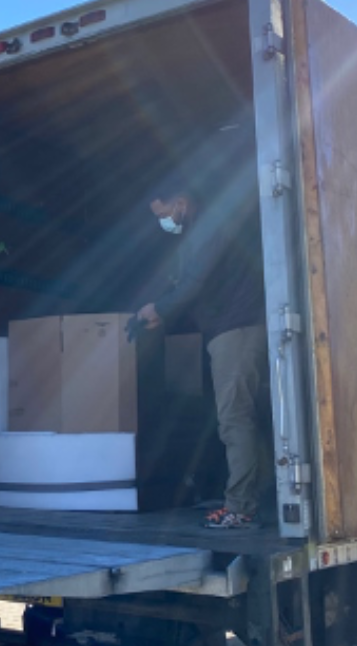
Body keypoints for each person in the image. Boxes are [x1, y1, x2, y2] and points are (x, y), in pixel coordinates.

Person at [136, 184, 270, 529]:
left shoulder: (209, 227)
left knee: (234, 418)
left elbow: (195, 282)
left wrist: (159, 307)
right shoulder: (210, 227)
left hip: (235, 330)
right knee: (248, 417)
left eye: (164, 215)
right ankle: (254, 499)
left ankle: (239, 508)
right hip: (236, 328)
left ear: (180, 202)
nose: (164, 223)